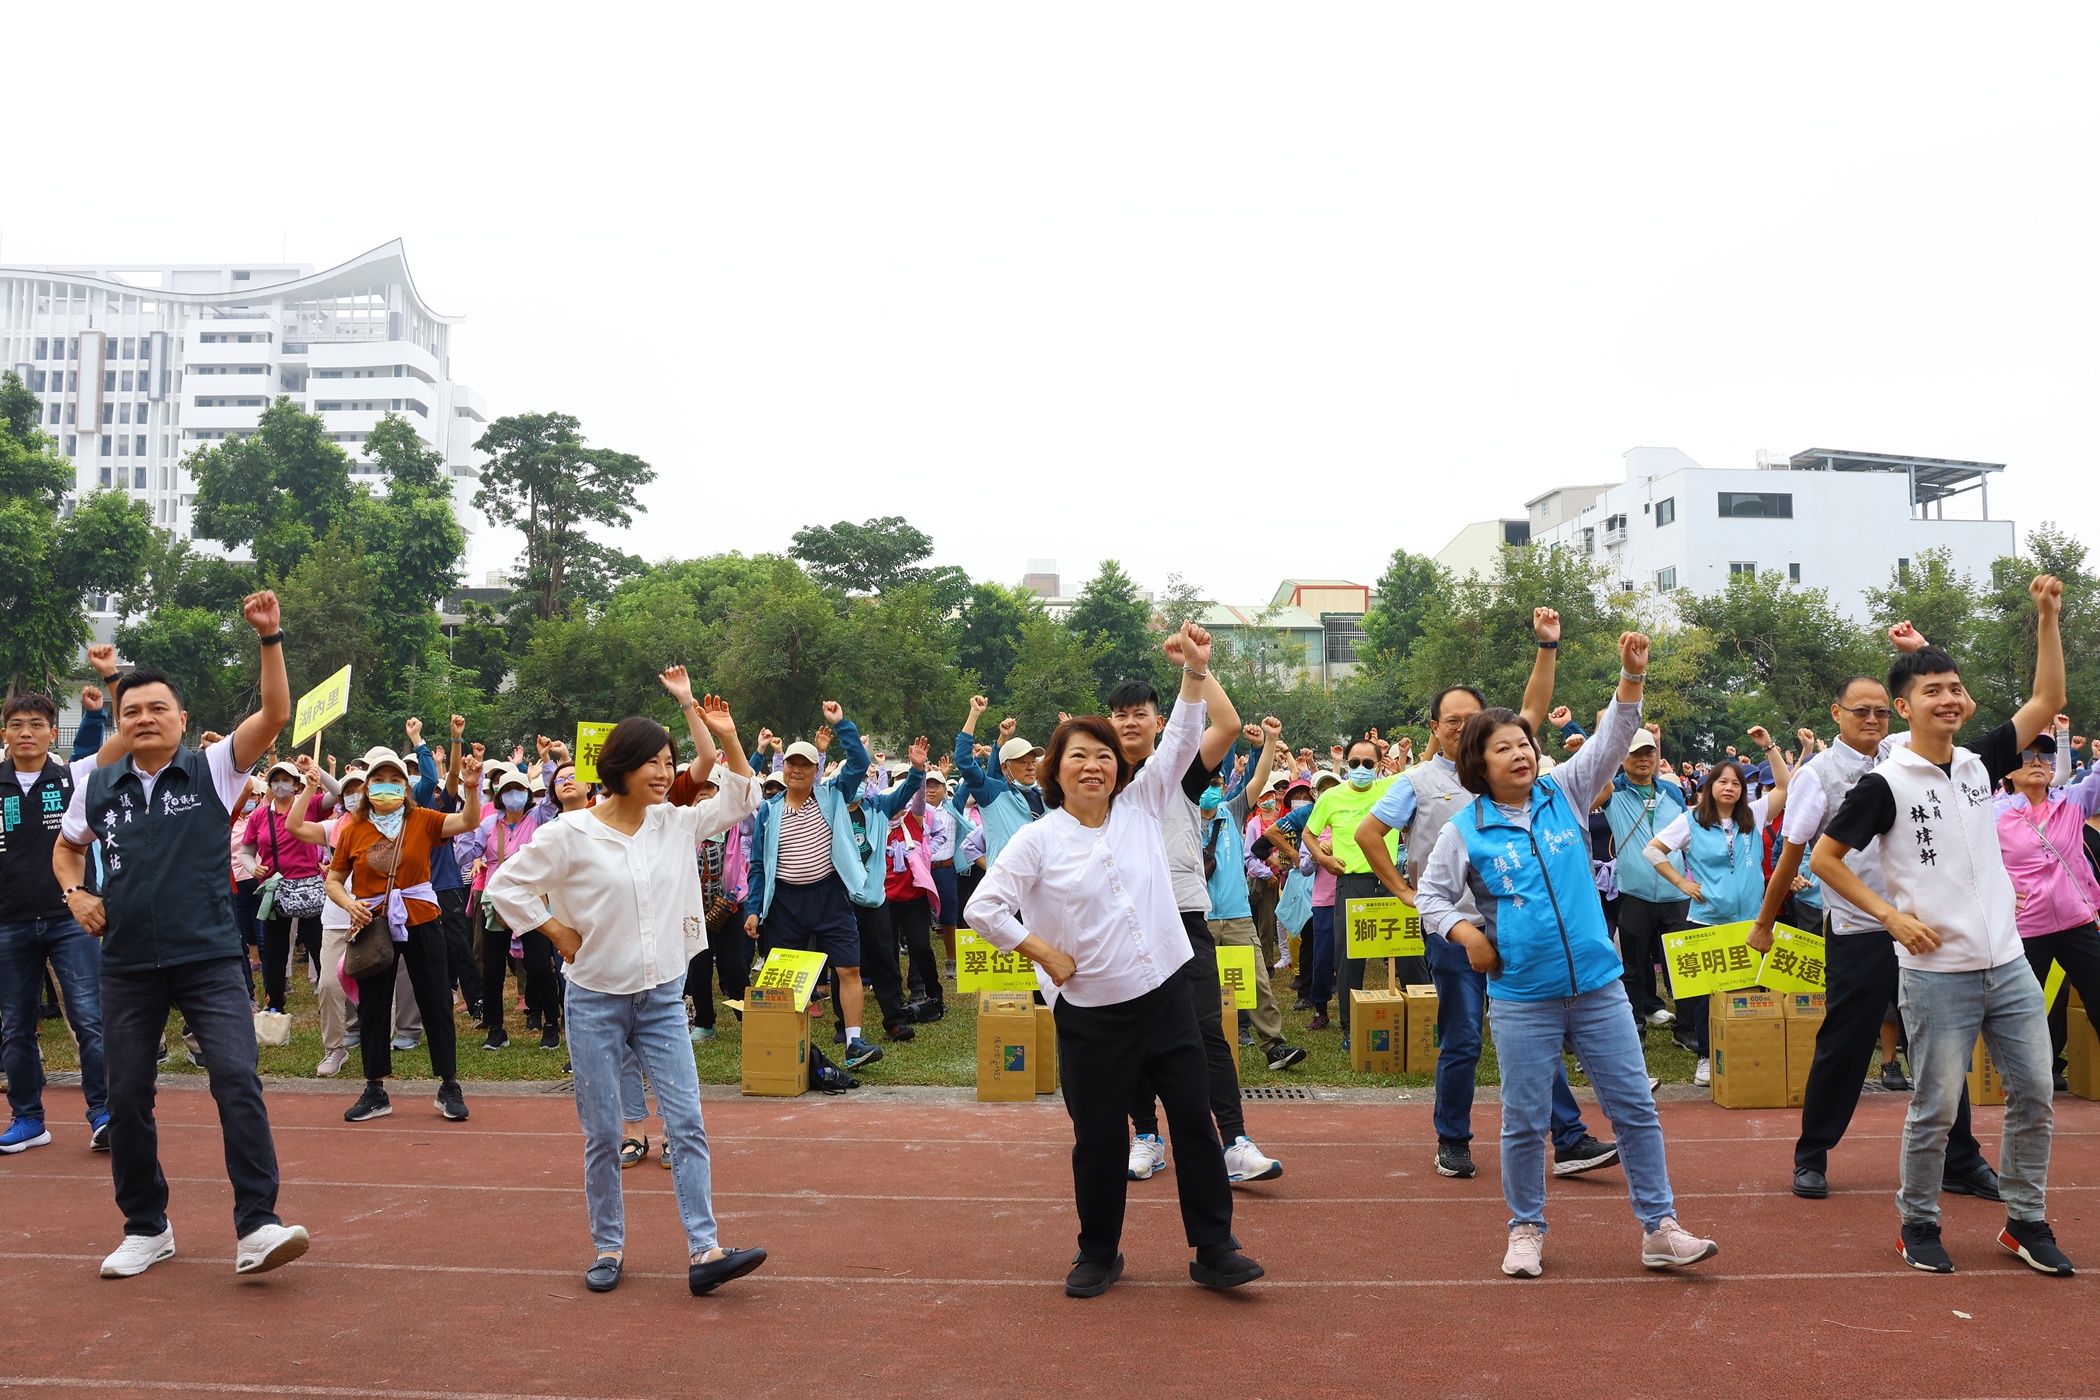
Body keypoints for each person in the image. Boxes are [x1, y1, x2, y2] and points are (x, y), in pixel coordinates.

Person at [971, 623, 1264, 1298]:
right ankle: (1098, 1252)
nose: (1094, 766)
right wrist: (1044, 953)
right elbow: (984, 910)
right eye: (1078, 756)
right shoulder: (1038, 841)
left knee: (1193, 1124)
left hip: (1165, 1001)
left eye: (1103, 756)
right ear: (1056, 768)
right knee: (1099, 1140)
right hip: (1093, 1019)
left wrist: (1195, 668)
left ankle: (1215, 1248)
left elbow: (1188, 734)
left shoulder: (1145, 800)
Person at [1416, 629, 1720, 1279]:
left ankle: (1659, 1227)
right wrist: (1467, 936)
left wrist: (1630, 677)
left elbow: (1614, 736)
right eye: (1504, 748)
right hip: (1522, 996)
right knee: (1525, 1121)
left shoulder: (1567, 792)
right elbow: (1432, 900)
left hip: (1599, 985)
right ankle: (1525, 1228)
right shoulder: (1466, 830)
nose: (1521, 754)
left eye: (1525, 744)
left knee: (1634, 1106)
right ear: (1479, 764)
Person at [1812, 576, 2072, 1276]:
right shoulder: (1884, 784)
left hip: (2008, 964)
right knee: (1933, 1109)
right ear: (1904, 707)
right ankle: (1918, 1224)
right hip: (1937, 977)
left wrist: (2046, 618)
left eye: (1954, 688)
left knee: (2036, 1096)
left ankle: (2024, 1221)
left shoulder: (1980, 763)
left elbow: (2048, 700)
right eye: (1932, 691)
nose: (1948, 698)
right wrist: (1893, 917)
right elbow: (1825, 859)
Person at [53, 592, 311, 1279]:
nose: (144, 718)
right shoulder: (98, 785)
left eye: (157, 708)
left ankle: (257, 1225)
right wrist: (75, 894)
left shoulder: (215, 768)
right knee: (128, 1094)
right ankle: (146, 1227)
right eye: (131, 710)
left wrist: (269, 637)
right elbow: (67, 850)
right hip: (128, 963)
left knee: (235, 1078)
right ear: (119, 718)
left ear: (181, 718)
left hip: (208, 957)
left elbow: (277, 714)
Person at [488, 680, 768, 1296]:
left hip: (663, 997)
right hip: (593, 1000)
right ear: (619, 766)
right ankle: (608, 1246)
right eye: (653, 763)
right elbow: (504, 888)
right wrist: (556, 930)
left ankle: (705, 1250)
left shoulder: (673, 824)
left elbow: (743, 798)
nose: (666, 774)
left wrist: (726, 738)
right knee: (604, 1131)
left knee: (687, 1121)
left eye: (671, 763)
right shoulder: (570, 834)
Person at [1354, 614, 1618, 1184]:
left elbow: (1533, 703)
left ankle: (1569, 1137)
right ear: (1435, 727)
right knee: (1465, 1036)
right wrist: (1405, 893)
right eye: (1452, 721)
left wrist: (1547, 646)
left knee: (1532, 1028)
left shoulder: (1509, 766)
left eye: (1472, 718)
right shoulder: (1419, 782)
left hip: (1519, 929)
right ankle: (1452, 1138)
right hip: (1457, 932)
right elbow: (1367, 834)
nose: (1463, 727)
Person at [1754, 659, 1998, 1203]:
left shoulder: (1906, 756)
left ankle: (1960, 1159)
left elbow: (1953, 703)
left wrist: (1925, 655)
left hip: (1924, 931)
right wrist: (1765, 924)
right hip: (1861, 929)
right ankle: (1812, 1155)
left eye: (1881, 711)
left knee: (1940, 1045)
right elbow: (1793, 857)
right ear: (1835, 714)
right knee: (1844, 1044)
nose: (1871, 719)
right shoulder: (1817, 776)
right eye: (1859, 710)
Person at [1106, 669, 1284, 1187]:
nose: (1129, 722)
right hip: (1121, 921)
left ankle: (1234, 1141)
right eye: (1120, 715)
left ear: (1161, 722)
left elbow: (1226, 725)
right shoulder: (1100, 777)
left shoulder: (1176, 771)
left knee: (1206, 1028)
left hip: (1182, 914)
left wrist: (1196, 670)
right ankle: (1147, 1136)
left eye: (1140, 714)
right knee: (1132, 1032)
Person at [323, 740, 484, 1124]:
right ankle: (375, 1088)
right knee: (374, 1005)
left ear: (405, 786)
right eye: (378, 779)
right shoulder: (352, 830)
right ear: (366, 786)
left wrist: (473, 788)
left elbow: (468, 822)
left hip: (423, 919)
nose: (386, 785)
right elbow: (333, 880)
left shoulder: (424, 819)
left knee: (435, 1001)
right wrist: (350, 905)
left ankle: (449, 1085)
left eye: (395, 779)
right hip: (372, 925)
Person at [1, 644, 120, 1154]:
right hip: (7, 925)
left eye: (36, 724)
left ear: (53, 731)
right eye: (16, 724)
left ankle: (104, 1113)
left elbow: (127, 741)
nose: (26, 732)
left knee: (90, 1019)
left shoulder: (75, 774)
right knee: (14, 1027)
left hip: (70, 918)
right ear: (4, 732)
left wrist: (112, 679)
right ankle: (28, 1117)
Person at [1643, 730, 1793, 1088]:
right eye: (1721, 782)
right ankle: (1708, 1058)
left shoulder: (1753, 815)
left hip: (1752, 923)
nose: (1729, 788)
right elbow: (1652, 851)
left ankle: (1746, 1053)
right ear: (1709, 786)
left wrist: (1769, 748)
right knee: (1706, 996)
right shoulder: (1691, 820)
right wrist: (1681, 883)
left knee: (1750, 992)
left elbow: (1786, 788)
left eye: (1736, 783)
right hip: (1707, 922)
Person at [742, 702, 888, 1070]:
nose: (796, 770)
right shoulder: (768, 811)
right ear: (784, 767)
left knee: (849, 969)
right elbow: (758, 865)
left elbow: (857, 761)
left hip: (828, 896)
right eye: (791, 763)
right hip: (785, 904)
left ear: (815, 770)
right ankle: (783, 1047)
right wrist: (754, 908)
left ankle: (854, 1043)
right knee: (786, 979)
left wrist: (841, 724)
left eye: (805, 764)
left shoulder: (833, 794)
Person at [1999, 726, 2100, 1087]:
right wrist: (2003, 892)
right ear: (2007, 770)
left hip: (2077, 923)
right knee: (2023, 1012)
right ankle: (2027, 1086)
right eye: (2026, 756)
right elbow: (1971, 864)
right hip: (2027, 930)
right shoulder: (1993, 813)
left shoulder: (2072, 801)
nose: (2037, 762)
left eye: (2043, 755)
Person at [1204, 722, 1307, 1074]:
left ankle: (1274, 1047)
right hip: (1193, 917)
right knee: (1191, 985)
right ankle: (1189, 1048)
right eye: (1206, 784)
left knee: (1257, 980)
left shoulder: (1231, 811)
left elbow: (1258, 778)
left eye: (1217, 783)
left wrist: (1272, 740)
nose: (1211, 790)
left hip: (1235, 914)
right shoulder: (1177, 817)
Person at [1600, 726, 1691, 1039]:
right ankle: (1634, 1023)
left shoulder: (1674, 792)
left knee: (1681, 965)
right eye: (1635, 752)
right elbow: (1594, 776)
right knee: (1635, 965)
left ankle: (1687, 1027)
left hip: (1676, 894)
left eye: (1648, 752)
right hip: (1634, 895)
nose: (1643, 759)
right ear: (1621, 757)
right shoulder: (1614, 793)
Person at [461, 764, 559, 1050]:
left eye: (518, 790)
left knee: (539, 965)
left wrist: (548, 763)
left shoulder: (539, 817)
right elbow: (465, 854)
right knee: (492, 967)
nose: (513, 795)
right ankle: (496, 1028)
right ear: (499, 796)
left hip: (531, 900)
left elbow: (553, 799)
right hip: (498, 903)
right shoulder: (489, 825)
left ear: (528, 793)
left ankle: (551, 1023)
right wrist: (468, 830)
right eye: (506, 791)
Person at [240, 758, 332, 1017]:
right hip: (275, 890)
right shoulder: (259, 815)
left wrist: (317, 771)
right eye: (276, 781)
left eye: (287, 780)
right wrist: (251, 867)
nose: (281, 786)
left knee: (319, 946)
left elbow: (337, 795)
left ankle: (329, 997)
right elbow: (246, 851)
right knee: (274, 948)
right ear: (270, 785)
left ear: (295, 785)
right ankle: (275, 1001)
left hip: (308, 888)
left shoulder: (310, 805)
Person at [951, 697, 1045, 882]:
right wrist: (974, 714)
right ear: (1005, 767)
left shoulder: (1047, 796)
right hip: (1007, 887)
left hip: (1043, 887)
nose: (1030, 767)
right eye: (1022, 762)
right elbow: (964, 762)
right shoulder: (994, 793)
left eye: (1033, 761)